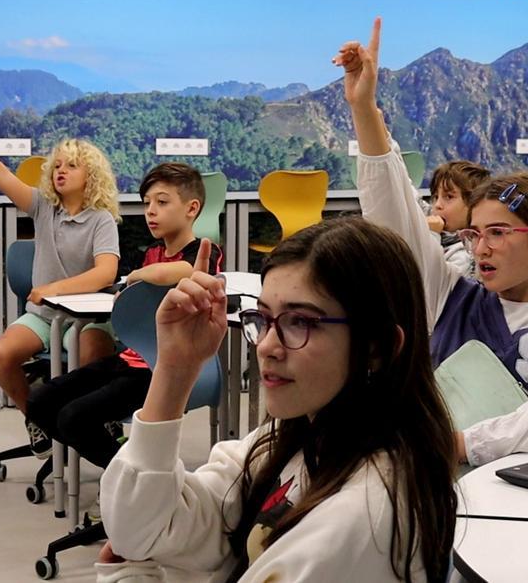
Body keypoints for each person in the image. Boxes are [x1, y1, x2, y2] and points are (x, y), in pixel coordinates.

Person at [98, 220, 458, 582]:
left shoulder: (360, 512)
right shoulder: (299, 435)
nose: (267, 346)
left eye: (300, 321)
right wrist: (175, 368)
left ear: (377, 346)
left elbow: (137, 540)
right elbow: (138, 528)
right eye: (265, 318)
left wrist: (128, 575)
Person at [340, 18, 528, 466]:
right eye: (474, 234)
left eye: (498, 233)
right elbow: (395, 212)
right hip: (437, 488)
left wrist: (454, 444)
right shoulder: (451, 295)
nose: (480, 248)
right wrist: (364, 109)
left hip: (520, 498)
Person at [0, 101, 119, 454]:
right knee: (2, 356)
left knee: (93, 352)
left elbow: (106, 272)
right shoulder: (43, 207)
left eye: (71, 166)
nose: (60, 171)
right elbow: (0, 174)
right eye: (56, 165)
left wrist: (54, 288)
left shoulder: (100, 219)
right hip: (44, 316)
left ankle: (93, 419)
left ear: (92, 175)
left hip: (88, 319)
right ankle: (39, 419)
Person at [26, 162, 223, 470]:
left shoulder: (203, 254)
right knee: (40, 401)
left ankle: (133, 482)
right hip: (128, 360)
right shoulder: (152, 254)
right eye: (147, 204)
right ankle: (128, 471)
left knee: (73, 418)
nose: (151, 211)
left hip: (162, 367)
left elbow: (183, 272)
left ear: (191, 208)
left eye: (162, 201)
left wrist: (136, 276)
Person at [425, 160, 491, 276]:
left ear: (473, 203)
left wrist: (431, 236)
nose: (437, 205)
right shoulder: (446, 237)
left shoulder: (465, 256)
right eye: (436, 197)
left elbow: (432, 284)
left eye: (449, 197)